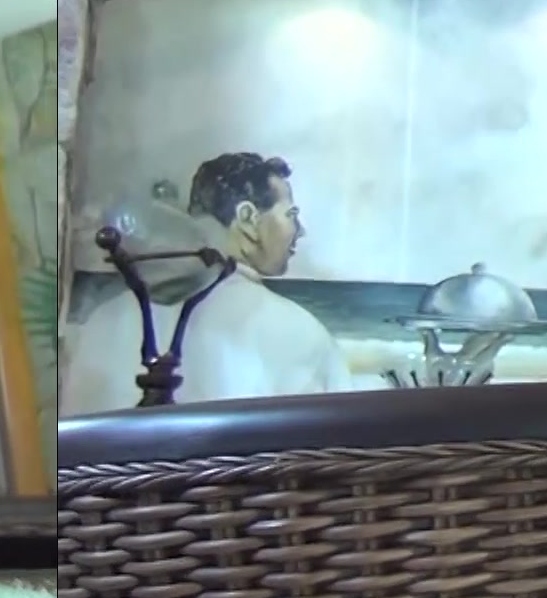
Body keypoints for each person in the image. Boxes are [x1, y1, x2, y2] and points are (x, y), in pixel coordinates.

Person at [55, 154, 361, 414]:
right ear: (247, 218)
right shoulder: (298, 332)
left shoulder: (101, 322)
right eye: (291, 215)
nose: (300, 231)